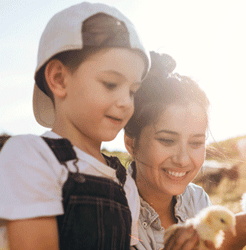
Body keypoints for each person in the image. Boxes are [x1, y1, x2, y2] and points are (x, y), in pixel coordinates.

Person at [124, 51, 246, 250]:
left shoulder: (196, 199)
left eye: (196, 143)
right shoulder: (109, 211)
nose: (183, 160)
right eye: (167, 140)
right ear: (132, 144)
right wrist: (234, 238)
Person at [0, 2, 150, 250]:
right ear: (59, 79)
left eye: (133, 91)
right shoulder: (30, 156)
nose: (125, 102)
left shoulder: (124, 183)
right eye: (111, 84)